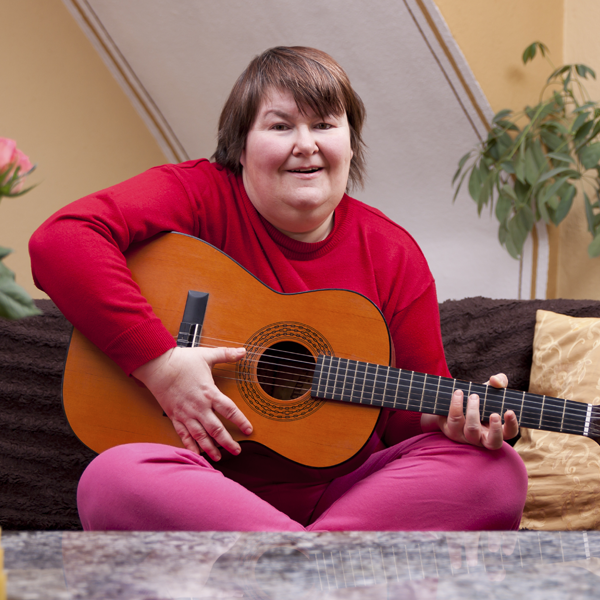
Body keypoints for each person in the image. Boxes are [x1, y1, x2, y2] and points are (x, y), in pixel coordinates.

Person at [29, 46, 527, 532]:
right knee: (112, 480)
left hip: (348, 498)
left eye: (325, 124)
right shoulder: (198, 194)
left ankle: (287, 567)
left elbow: (404, 417)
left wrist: (451, 422)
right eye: (281, 125)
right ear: (240, 145)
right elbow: (62, 240)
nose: (306, 144)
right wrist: (161, 366)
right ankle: (324, 571)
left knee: (497, 470)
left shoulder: (392, 252)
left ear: (351, 143)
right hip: (201, 489)